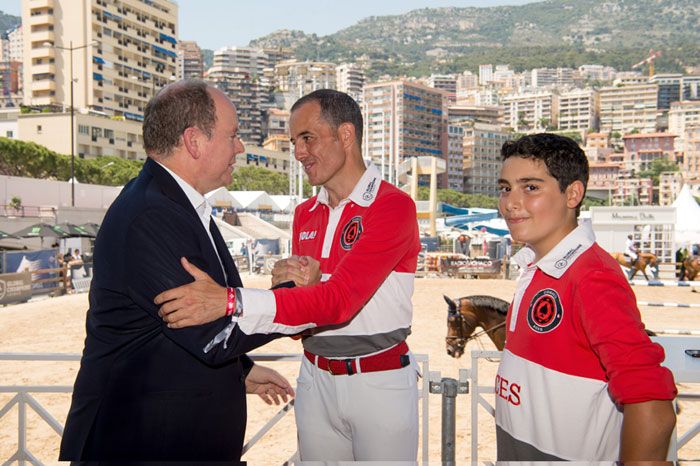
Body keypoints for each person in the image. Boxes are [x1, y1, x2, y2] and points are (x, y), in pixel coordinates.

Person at [154, 89, 422, 462]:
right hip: (314, 376)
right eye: (295, 141)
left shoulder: (393, 206)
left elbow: (339, 302)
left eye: (307, 138)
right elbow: (300, 317)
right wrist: (287, 291)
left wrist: (229, 300)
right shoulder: (305, 213)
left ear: (346, 135)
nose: (298, 153)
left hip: (379, 381)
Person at [59, 80, 293, 462]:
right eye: (232, 135)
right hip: (144, 443)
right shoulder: (153, 214)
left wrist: (241, 371)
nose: (240, 147)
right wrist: (292, 296)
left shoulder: (174, 204)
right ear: (194, 141)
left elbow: (182, 325)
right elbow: (210, 331)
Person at [495, 133, 676, 461]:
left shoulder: (591, 276)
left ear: (573, 194)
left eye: (531, 187)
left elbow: (652, 404)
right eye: (505, 188)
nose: (510, 202)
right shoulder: (538, 267)